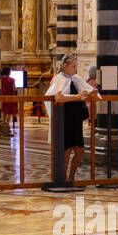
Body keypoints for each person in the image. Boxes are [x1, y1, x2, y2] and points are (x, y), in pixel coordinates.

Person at [45, 53, 99, 183]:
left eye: (76, 66)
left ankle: (71, 178)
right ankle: (62, 179)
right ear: (65, 66)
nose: (75, 69)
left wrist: (90, 93)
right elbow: (58, 97)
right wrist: (77, 97)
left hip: (75, 119)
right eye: (73, 66)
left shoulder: (75, 78)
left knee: (79, 150)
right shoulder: (60, 79)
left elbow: (88, 90)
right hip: (65, 118)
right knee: (67, 150)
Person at [0, 67, 18, 135]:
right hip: (10, 97)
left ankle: (3, 124)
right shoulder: (11, 80)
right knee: (9, 111)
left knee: (4, 110)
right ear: (8, 72)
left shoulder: (0, 79)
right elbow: (14, 89)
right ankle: (7, 125)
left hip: (3, 97)